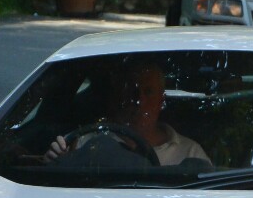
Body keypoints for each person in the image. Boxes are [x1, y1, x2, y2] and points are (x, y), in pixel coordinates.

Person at [45, 62, 210, 166]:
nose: (139, 99)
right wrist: (56, 159)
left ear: (161, 101)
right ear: (117, 97)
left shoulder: (190, 152)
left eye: (149, 92)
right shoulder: (87, 141)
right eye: (131, 91)